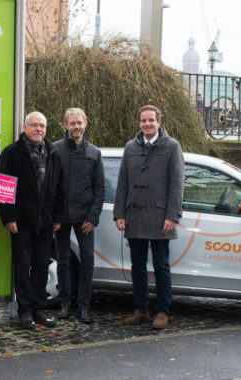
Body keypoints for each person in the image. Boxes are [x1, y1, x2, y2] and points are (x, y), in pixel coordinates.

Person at [113, 105, 184, 330]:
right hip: (134, 215)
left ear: (158, 122)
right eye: (143, 121)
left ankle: (163, 311)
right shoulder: (130, 147)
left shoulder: (172, 147)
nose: (147, 124)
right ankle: (141, 308)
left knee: (162, 266)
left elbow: (177, 184)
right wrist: (120, 214)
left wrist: (172, 215)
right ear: (139, 123)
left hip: (161, 217)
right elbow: (122, 182)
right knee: (137, 266)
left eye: (151, 120)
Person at [0, 111, 65, 330]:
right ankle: (24, 311)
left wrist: (58, 216)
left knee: (41, 268)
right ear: (25, 127)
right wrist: (8, 218)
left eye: (42, 126)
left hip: (45, 221)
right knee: (22, 268)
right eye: (34, 125)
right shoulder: (11, 153)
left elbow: (60, 187)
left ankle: (39, 310)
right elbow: (3, 189)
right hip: (21, 221)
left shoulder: (53, 152)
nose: (39, 129)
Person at [54, 108, 104, 324]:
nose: (76, 127)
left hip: (85, 218)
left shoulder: (94, 153)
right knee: (62, 262)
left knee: (87, 262)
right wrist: (54, 216)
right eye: (72, 123)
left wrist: (93, 218)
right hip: (62, 217)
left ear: (86, 123)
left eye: (79, 123)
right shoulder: (55, 150)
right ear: (65, 125)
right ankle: (64, 304)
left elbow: (99, 188)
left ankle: (84, 306)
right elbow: (51, 187)